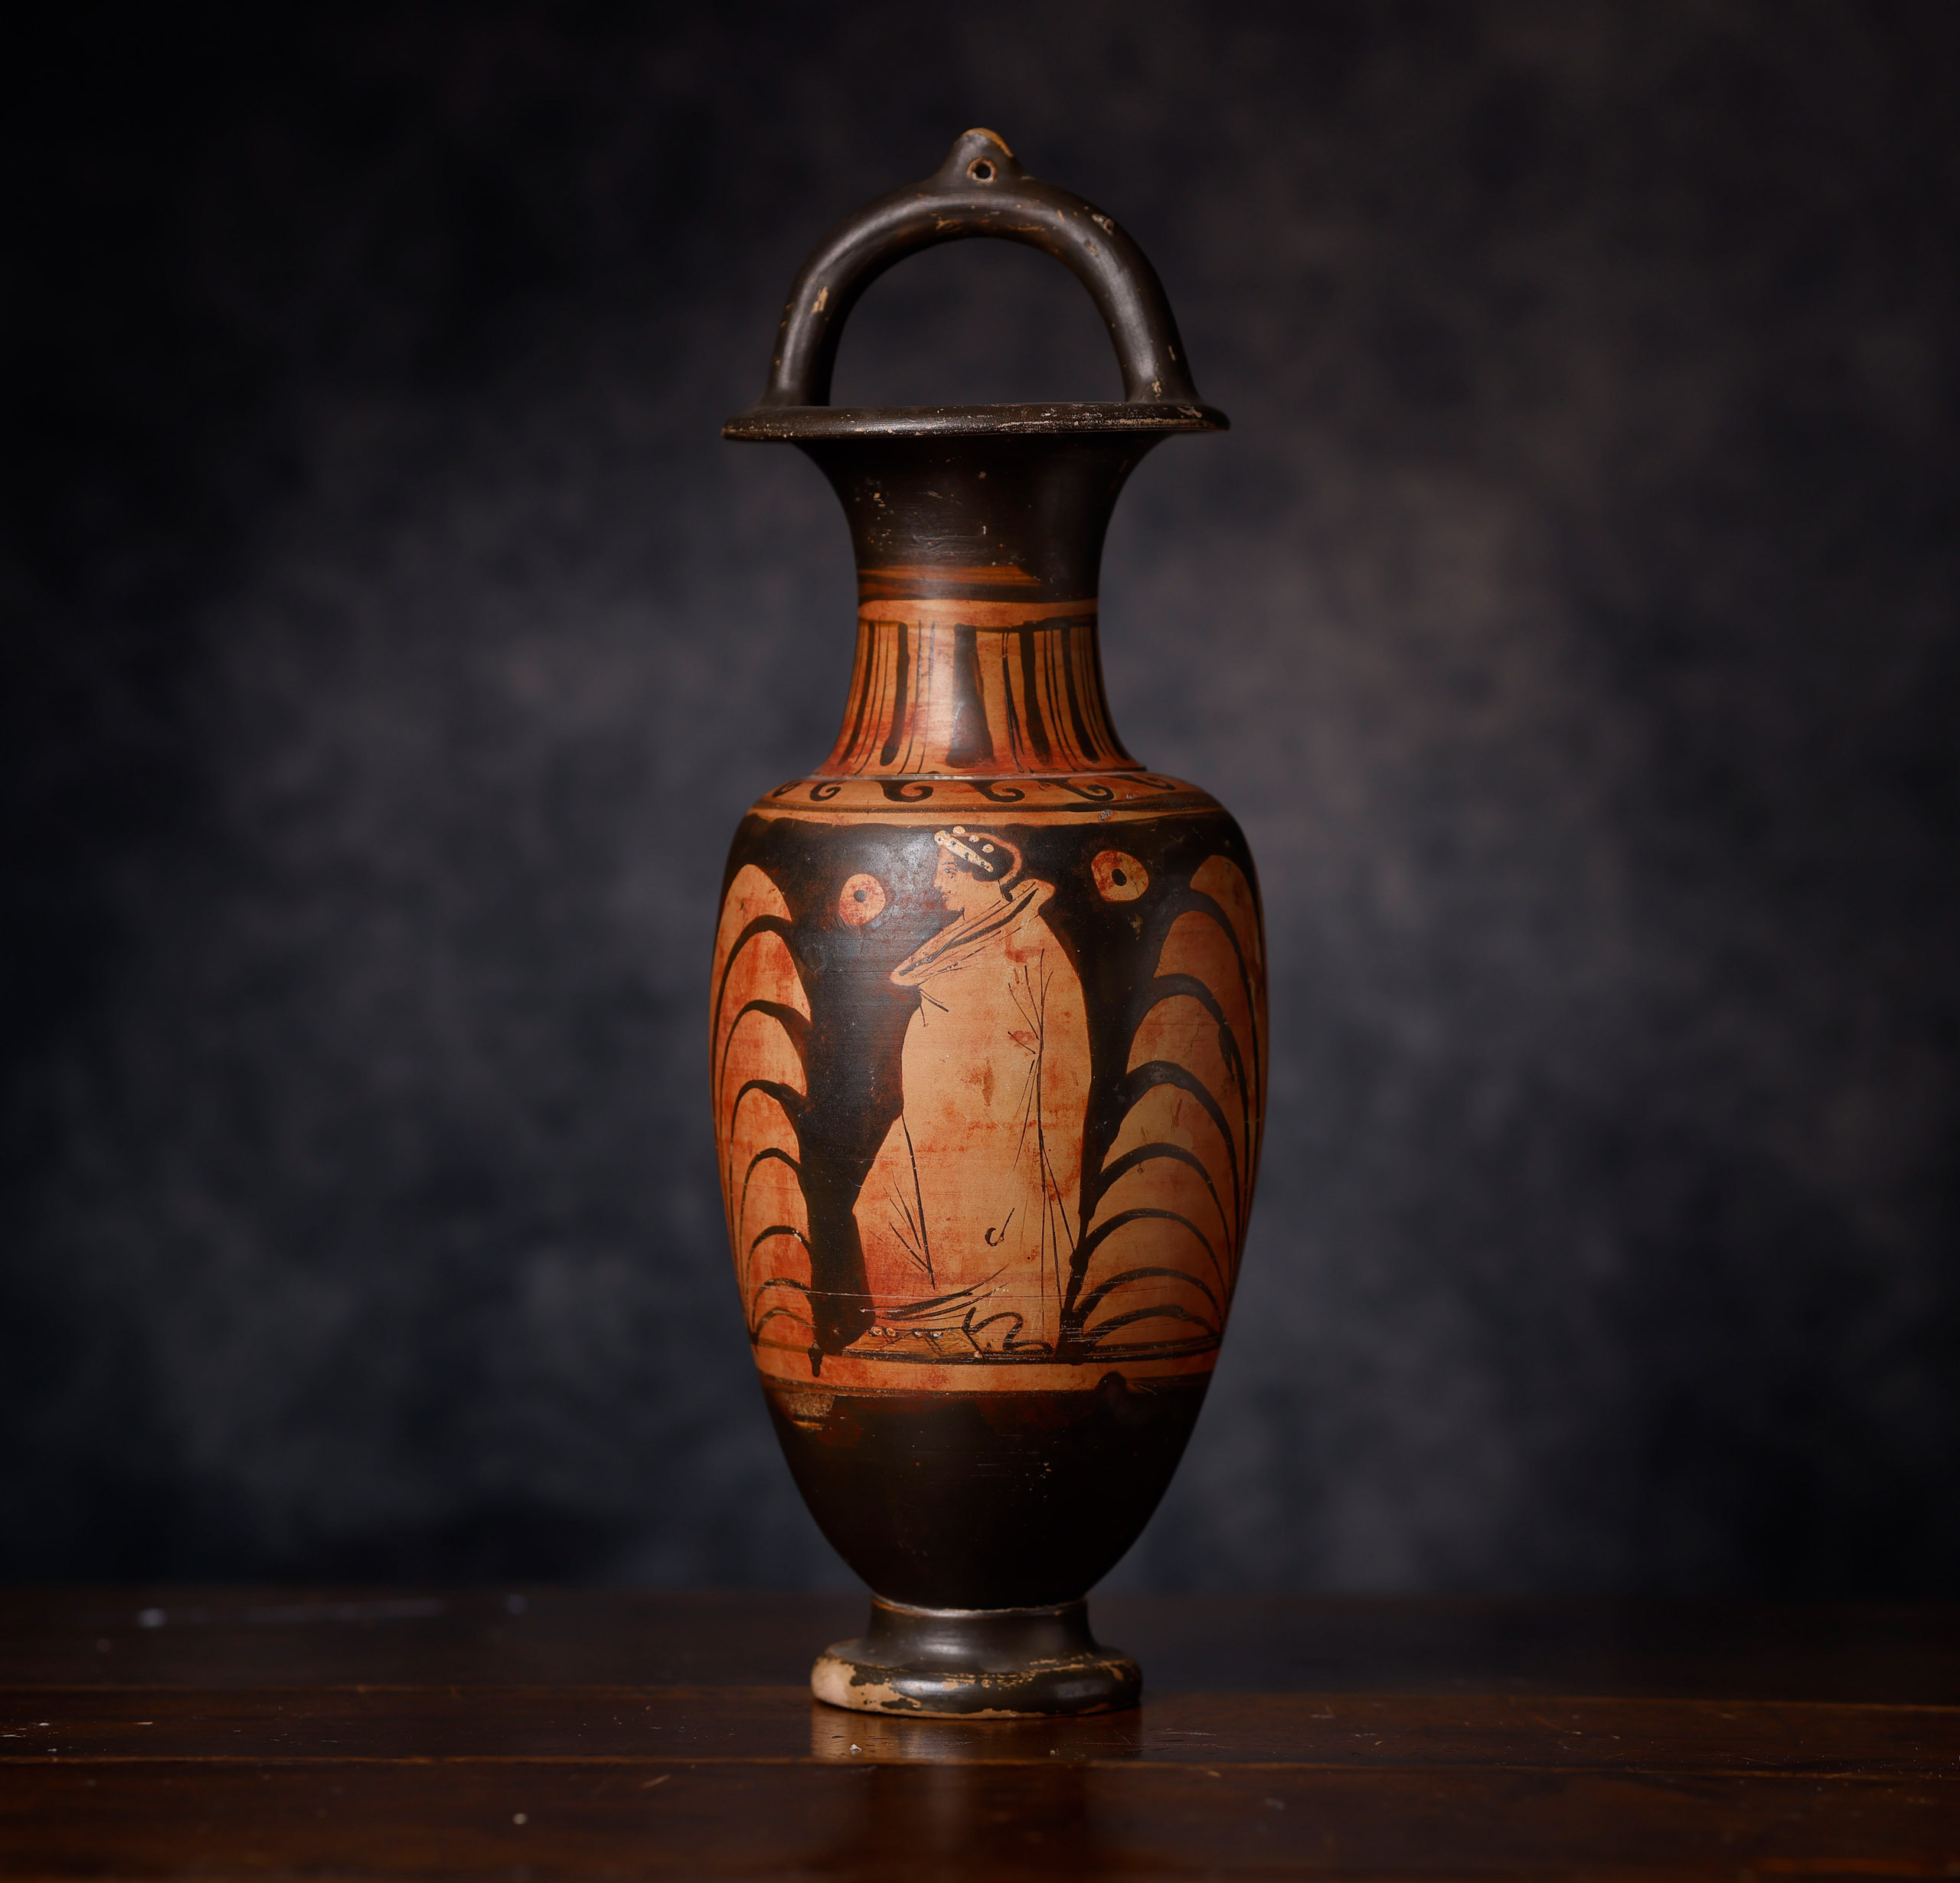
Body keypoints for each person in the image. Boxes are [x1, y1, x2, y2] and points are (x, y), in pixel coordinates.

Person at [851, 827, 1089, 1356]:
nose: (937, 883)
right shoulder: (957, 937)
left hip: (994, 1117)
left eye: (946, 872)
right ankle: (911, 1327)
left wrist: (1042, 1122)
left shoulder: (1029, 939)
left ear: (977, 875)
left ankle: (974, 1329)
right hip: (932, 1115)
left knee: (975, 1224)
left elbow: (1062, 1036)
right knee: (879, 1204)